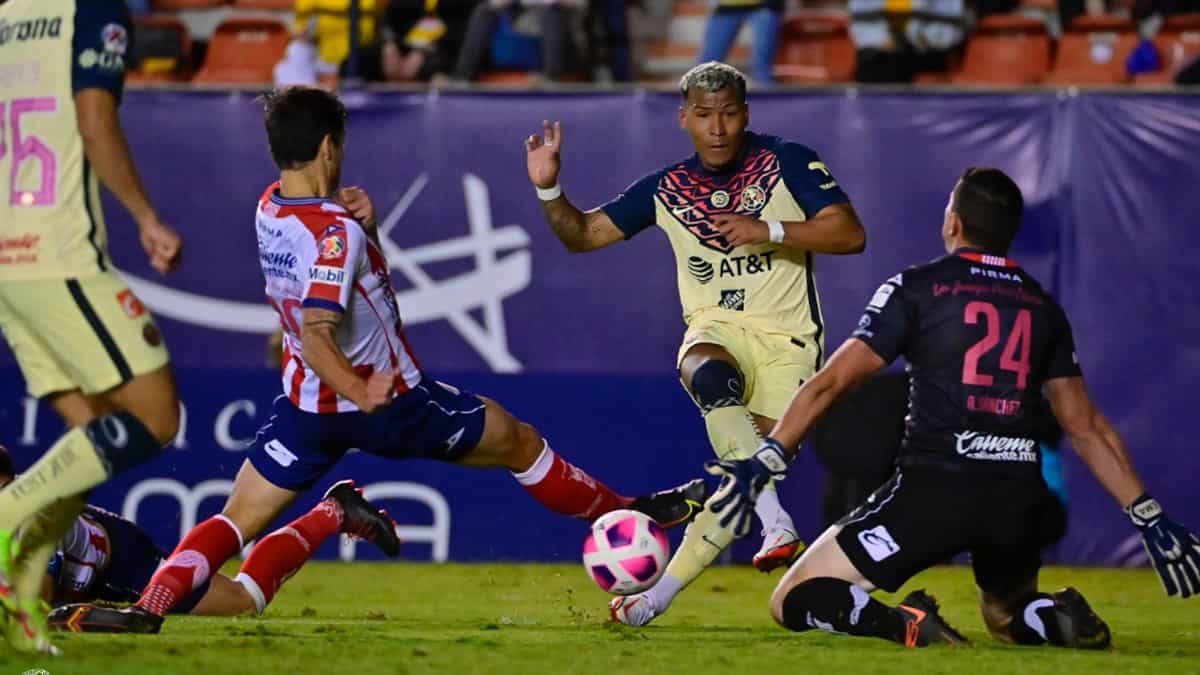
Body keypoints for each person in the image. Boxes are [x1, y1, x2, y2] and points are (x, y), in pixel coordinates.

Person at [58, 86, 707, 634]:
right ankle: (629, 511)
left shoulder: (270, 207)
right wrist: (363, 388)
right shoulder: (332, 231)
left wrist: (367, 234)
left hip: (306, 409)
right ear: (329, 148)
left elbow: (339, 297)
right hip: (387, 403)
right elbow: (317, 330)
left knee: (233, 519)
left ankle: (148, 608)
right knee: (517, 439)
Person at [705, 167, 1200, 648]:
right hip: (1016, 496)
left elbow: (831, 383)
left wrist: (768, 457)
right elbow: (1086, 426)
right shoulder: (1041, 306)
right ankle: (1051, 615)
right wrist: (1148, 515)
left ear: (954, 223)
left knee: (792, 597)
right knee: (1005, 614)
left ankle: (905, 623)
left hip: (932, 492)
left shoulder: (917, 289)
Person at [525, 61, 866, 626]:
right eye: (705, 115)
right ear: (684, 118)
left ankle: (652, 600)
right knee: (707, 372)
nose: (717, 128)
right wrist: (548, 188)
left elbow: (849, 233)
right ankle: (776, 520)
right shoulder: (666, 189)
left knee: (739, 480)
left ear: (746, 115)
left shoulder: (786, 161)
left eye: (729, 114)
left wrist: (769, 229)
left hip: (789, 345)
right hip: (718, 329)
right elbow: (583, 235)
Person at [0, 0, 185, 654]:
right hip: (58, 250)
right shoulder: (92, 9)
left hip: (7, 259)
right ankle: (5, 514)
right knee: (157, 416)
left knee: (90, 435)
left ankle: (22, 598)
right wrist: (144, 216)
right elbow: (94, 120)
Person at [0, 447, 393, 627]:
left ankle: (331, 513)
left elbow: (37, 601)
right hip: (97, 556)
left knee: (243, 601)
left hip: (126, 563)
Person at [698, 0, 783, 85]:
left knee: (762, 64)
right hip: (727, 5)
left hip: (765, 4)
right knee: (708, 63)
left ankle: (766, 91)